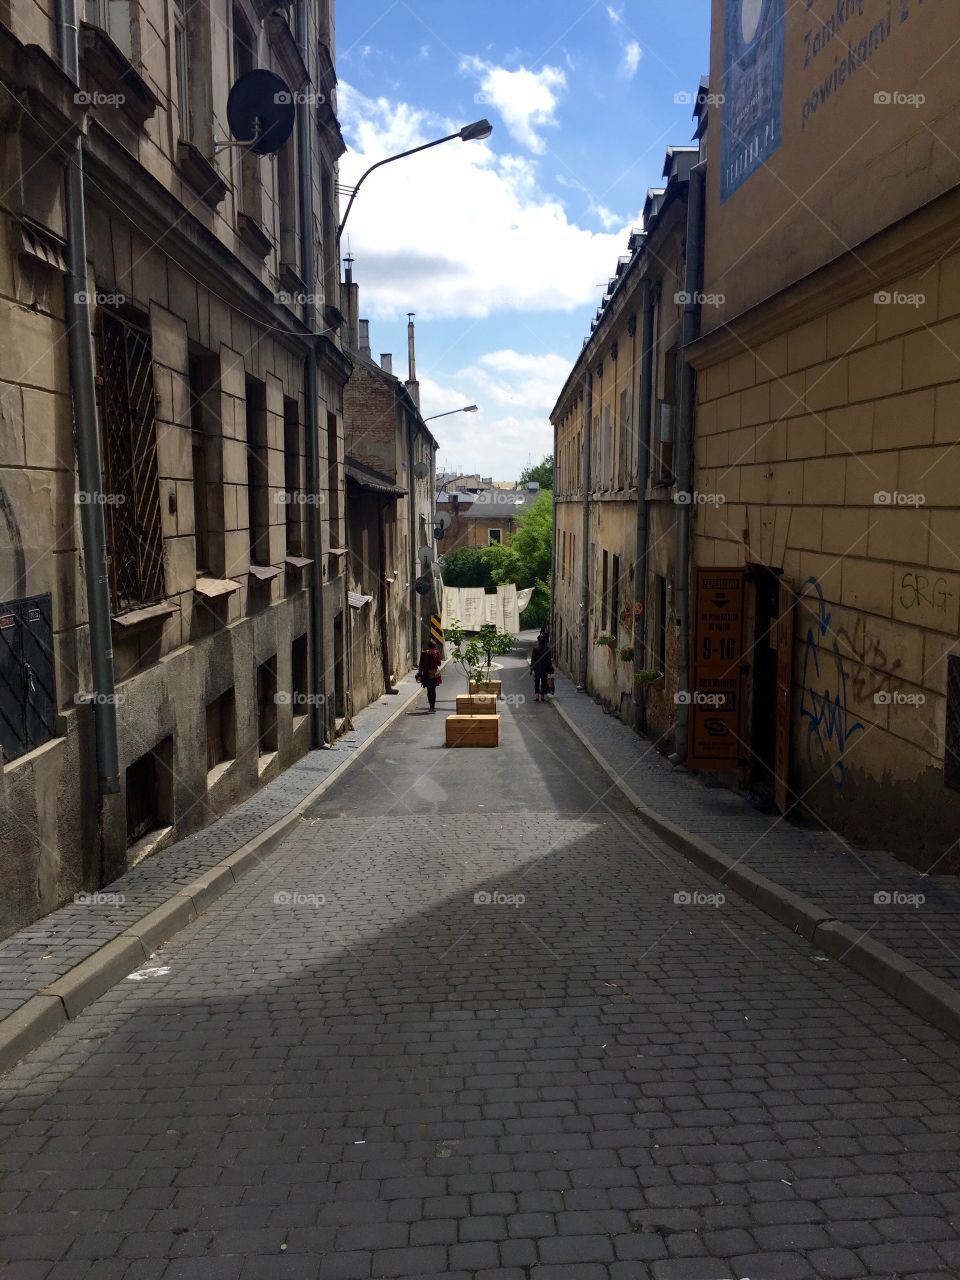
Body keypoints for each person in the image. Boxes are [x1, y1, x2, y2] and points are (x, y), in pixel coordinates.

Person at [416, 640, 443, 712]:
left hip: (434, 674)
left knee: (433, 690)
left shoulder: (436, 653)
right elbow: (421, 665)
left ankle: (433, 707)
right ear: (429, 648)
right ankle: (430, 706)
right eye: (432, 648)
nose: (433, 650)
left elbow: (439, 663)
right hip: (426, 674)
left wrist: (435, 656)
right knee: (429, 690)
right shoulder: (424, 654)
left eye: (434, 648)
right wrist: (419, 674)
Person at [529, 635, 554, 702]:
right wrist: (550, 670)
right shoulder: (548, 649)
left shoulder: (535, 649)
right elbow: (549, 661)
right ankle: (542, 697)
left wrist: (531, 669)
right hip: (545, 669)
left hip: (537, 669)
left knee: (536, 683)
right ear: (544, 641)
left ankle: (537, 697)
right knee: (544, 683)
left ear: (538, 641)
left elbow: (533, 660)